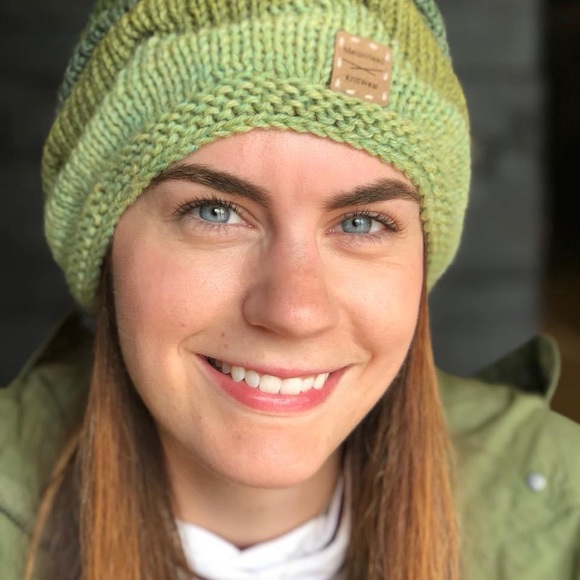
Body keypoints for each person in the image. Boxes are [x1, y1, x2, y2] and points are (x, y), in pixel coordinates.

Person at [1, 0, 579, 579]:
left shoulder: (563, 514)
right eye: (215, 212)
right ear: (105, 247)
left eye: (362, 223)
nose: (295, 311)